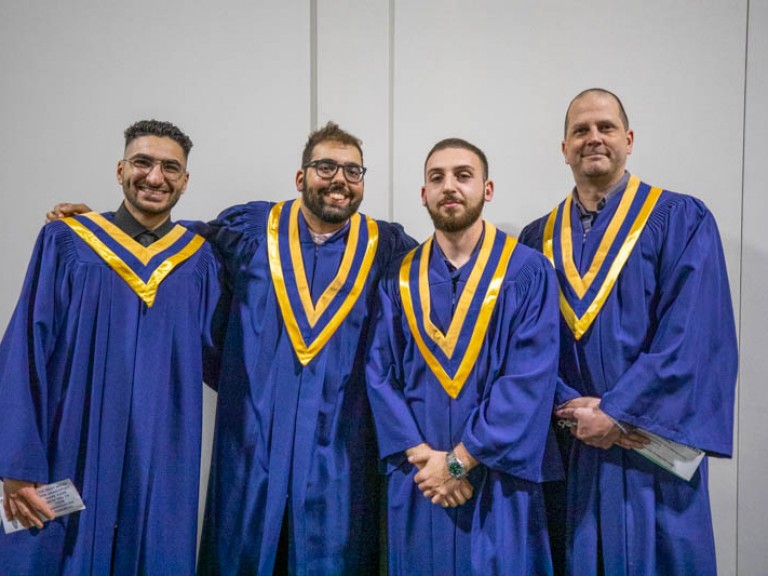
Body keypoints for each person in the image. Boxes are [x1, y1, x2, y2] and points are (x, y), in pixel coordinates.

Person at [519, 88, 738, 576]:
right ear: (564, 148)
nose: (593, 138)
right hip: (573, 448)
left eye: (605, 127)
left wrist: (616, 414)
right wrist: (574, 411)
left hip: (648, 453)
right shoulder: (536, 240)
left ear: (629, 139)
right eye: (580, 130)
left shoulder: (680, 219)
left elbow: (693, 337)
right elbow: (525, 349)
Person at [0, 120, 222, 574]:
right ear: (120, 169)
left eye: (170, 168)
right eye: (142, 162)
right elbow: (25, 351)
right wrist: (15, 459)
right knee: (56, 552)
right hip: (71, 441)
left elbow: (232, 353)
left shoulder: (198, 260)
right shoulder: (67, 243)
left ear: (185, 180)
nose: (155, 177)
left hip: (160, 453)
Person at [194, 122, 416, 574]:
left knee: (334, 553)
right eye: (326, 167)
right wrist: (103, 228)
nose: (339, 180)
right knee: (244, 548)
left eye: (353, 171)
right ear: (301, 178)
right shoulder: (251, 230)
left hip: (340, 441)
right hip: (253, 438)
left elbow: (445, 275)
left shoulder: (387, 246)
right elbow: (175, 248)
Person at [366, 138, 563, 575]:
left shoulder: (528, 271)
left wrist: (458, 461)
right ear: (423, 194)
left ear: (487, 190)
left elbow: (528, 380)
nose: (449, 186)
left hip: (496, 478)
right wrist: (424, 458)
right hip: (421, 481)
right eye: (436, 178)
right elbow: (379, 373)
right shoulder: (398, 278)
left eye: (463, 175)